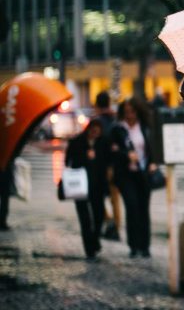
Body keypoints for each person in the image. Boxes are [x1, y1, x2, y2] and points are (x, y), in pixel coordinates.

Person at [110, 97, 157, 258]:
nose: (130, 115)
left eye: (132, 111)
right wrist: (126, 155)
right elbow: (113, 152)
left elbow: (151, 148)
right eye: (127, 112)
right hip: (125, 175)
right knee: (132, 206)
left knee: (143, 208)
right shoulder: (118, 129)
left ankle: (145, 246)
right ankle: (133, 245)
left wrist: (153, 163)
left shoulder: (144, 127)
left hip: (143, 173)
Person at [64, 119, 110, 259]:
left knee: (99, 215)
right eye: (93, 130)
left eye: (98, 130)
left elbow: (108, 160)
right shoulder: (77, 141)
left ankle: (94, 239)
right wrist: (85, 157)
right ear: (89, 129)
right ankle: (89, 248)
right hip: (80, 185)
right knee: (85, 219)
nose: (95, 133)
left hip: (98, 185)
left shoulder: (103, 142)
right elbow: (68, 161)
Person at [94, 90, 121, 241]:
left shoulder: (97, 122)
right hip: (115, 164)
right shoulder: (115, 119)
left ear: (97, 104)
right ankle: (116, 228)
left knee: (97, 196)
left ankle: (109, 221)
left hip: (102, 165)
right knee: (115, 198)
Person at [0, 161, 14, 231]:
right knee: (5, 198)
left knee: (5, 198)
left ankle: (2, 222)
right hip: (5, 171)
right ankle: (2, 222)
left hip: (5, 171)